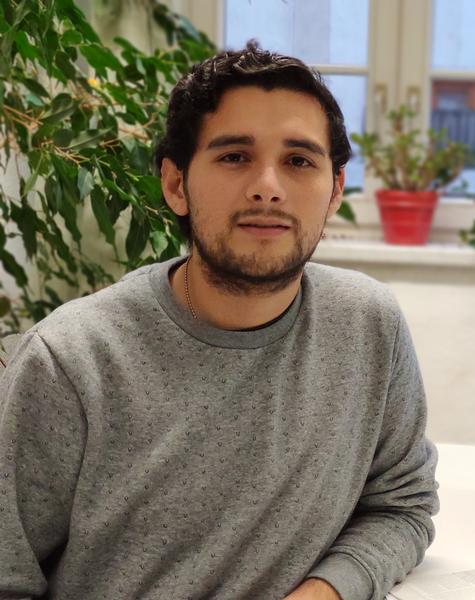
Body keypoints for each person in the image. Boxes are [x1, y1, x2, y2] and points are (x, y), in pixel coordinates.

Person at [0, 42, 438, 600]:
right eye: (234, 156)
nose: (268, 186)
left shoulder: (367, 324)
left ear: (334, 192)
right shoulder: (70, 361)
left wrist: (326, 591)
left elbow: (402, 506)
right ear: (176, 185)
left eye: (299, 161)